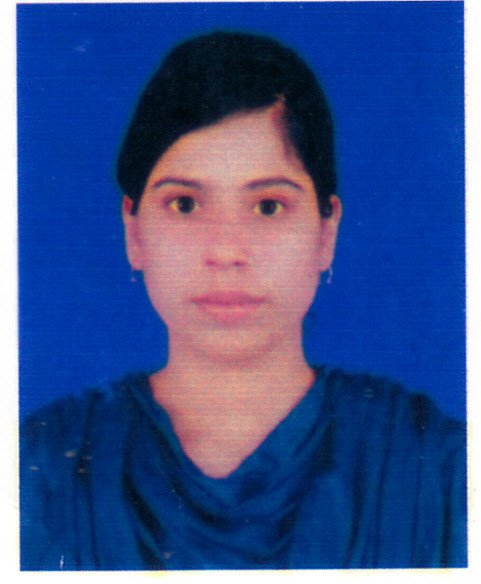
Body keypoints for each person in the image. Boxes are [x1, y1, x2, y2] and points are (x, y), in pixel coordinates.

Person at [20, 31, 466, 571]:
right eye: (185, 204)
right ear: (133, 231)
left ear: (326, 232)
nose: (227, 251)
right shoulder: (38, 469)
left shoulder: (438, 472)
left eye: (268, 207)